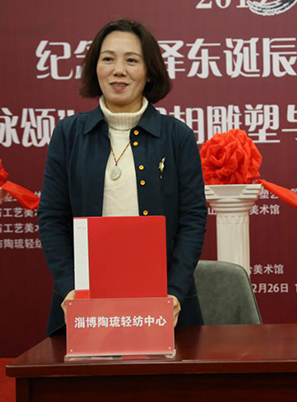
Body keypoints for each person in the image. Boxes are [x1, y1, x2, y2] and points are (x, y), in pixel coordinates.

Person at [38, 18, 207, 336]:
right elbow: (51, 217)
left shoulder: (177, 136)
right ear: (95, 68)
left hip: (163, 301)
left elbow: (192, 219)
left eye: (131, 60)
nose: (118, 70)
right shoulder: (69, 134)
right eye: (108, 59)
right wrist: (71, 287)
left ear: (149, 71)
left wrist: (174, 291)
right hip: (84, 300)